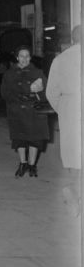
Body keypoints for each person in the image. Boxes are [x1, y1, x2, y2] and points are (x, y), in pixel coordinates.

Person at [0, 45, 49, 178]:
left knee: (35, 139)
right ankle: (23, 163)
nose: (24, 59)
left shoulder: (38, 73)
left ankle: (32, 165)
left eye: (27, 56)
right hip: (16, 111)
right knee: (19, 139)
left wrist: (38, 90)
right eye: (21, 56)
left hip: (33, 111)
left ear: (30, 58)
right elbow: (4, 93)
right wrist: (28, 90)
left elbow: (46, 92)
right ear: (17, 57)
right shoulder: (9, 74)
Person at [46, 26, 81, 171]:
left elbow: (51, 92)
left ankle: (76, 186)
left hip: (69, 104)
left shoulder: (60, 59)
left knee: (72, 147)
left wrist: (63, 109)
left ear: (73, 39)